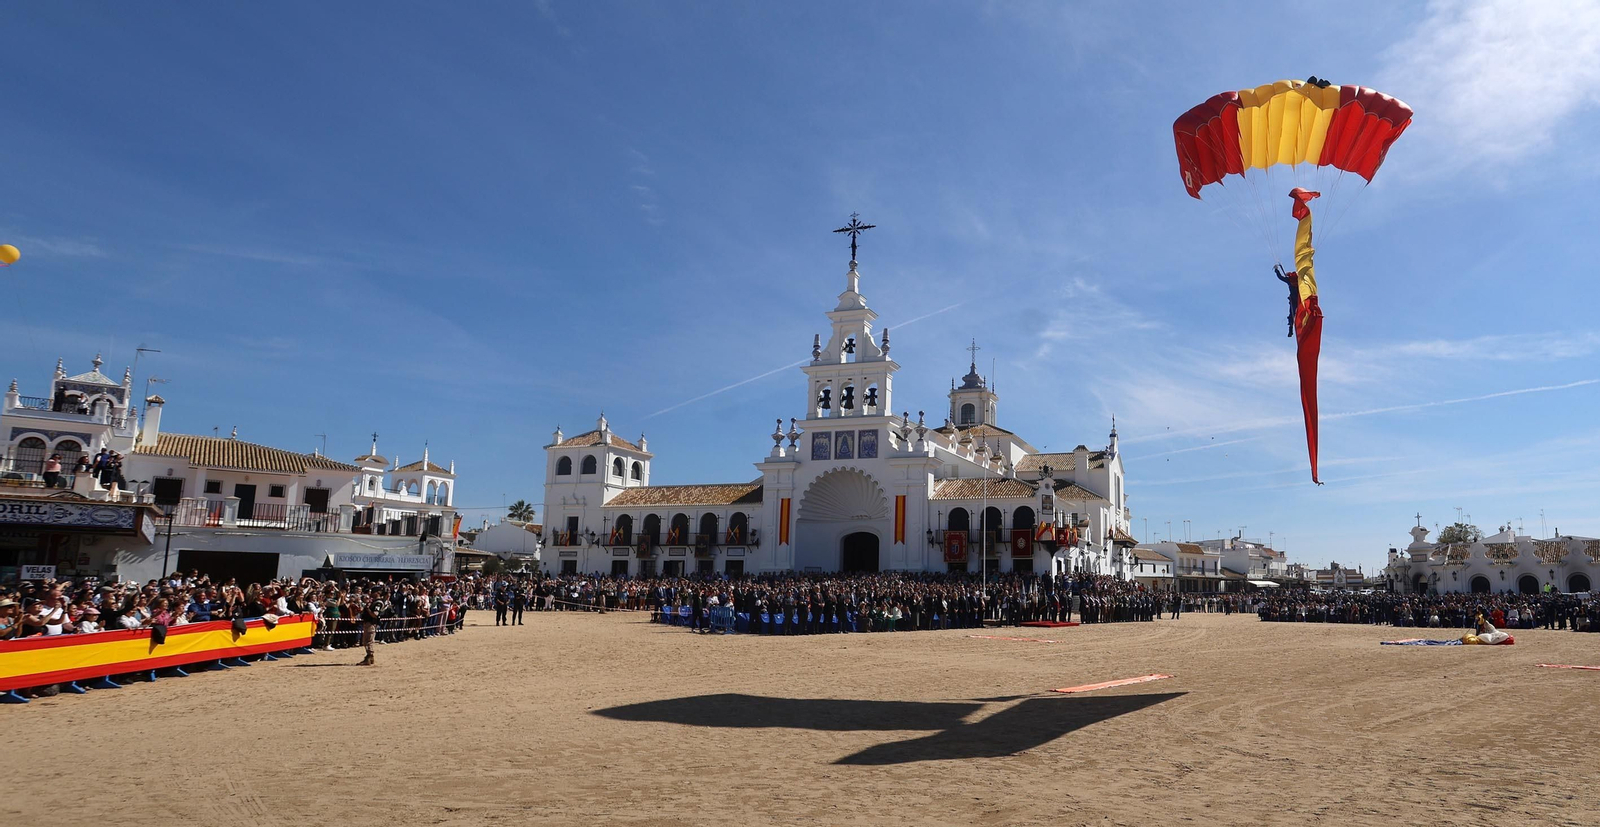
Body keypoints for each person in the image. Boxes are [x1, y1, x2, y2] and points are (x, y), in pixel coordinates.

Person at [359, 592, 387, 666]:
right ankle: (369, 656)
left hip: (371, 623)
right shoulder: (373, 602)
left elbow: (375, 614)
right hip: (367, 622)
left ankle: (369, 657)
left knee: (368, 641)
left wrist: (368, 609)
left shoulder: (378, 603)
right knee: (365, 641)